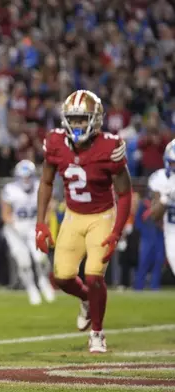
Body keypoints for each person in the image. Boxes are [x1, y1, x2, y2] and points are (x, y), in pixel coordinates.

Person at [36, 90, 132, 353]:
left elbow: (125, 194)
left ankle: (97, 333)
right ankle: (88, 301)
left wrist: (116, 232)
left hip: (101, 216)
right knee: (63, 276)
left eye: (82, 119)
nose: (77, 125)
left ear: (95, 120)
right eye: (73, 119)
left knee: (93, 275)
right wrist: (41, 223)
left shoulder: (109, 146)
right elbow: (46, 182)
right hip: (72, 215)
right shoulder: (55, 142)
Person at [1, 160, 55, 305]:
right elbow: (5, 214)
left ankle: (44, 281)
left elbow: (49, 207)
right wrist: (15, 225)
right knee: (23, 262)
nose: (26, 180)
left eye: (28, 176)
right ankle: (31, 288)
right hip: (15, 229)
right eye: (23, 177)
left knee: (41, 258)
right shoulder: (10, 189)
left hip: (34, 226)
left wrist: (44, 222)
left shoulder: (40, 186)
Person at [145, 139, 175, 278]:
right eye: (173, 163)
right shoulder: (160, 179)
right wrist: (167, 198)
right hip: (172, 233)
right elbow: (154, 216)